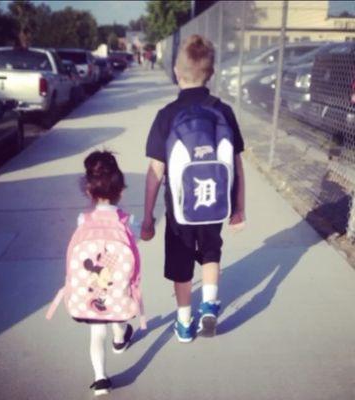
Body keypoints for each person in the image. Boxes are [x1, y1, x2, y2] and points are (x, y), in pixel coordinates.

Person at [141, 35, 246, 342]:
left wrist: (148, 218)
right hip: (215, 201)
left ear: (176, 70)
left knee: (181, 263)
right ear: (210, 73)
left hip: (179, 210)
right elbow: (237, 165)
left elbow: (155, 172)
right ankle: (210, 303)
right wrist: (239, 208)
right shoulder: (223, 111)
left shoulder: (167, 115)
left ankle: (185, 323)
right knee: (211, 250)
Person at [77, 150, 140, 396]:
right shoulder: (126, 219)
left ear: (89, 191)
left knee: (96, 332)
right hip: (117, 281)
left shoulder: (82, 219)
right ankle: (120, 339)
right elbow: (133, 248)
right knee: (118, 311)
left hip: (92, 285)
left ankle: (100, 378)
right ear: (121, 190)